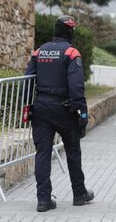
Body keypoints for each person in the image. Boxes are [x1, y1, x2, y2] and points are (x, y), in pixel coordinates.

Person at [25, 15, 94, 212]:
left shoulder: (38, 52)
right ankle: (79, 194)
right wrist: (81, 113)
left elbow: (27, 80)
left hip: (40, 108)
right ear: (70, 31)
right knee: (73, 151)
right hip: (64, 110)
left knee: (43, 153)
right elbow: (76, 86)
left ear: (55, 31)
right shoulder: (72, 53)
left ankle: (43, 200)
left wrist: (27, 107)